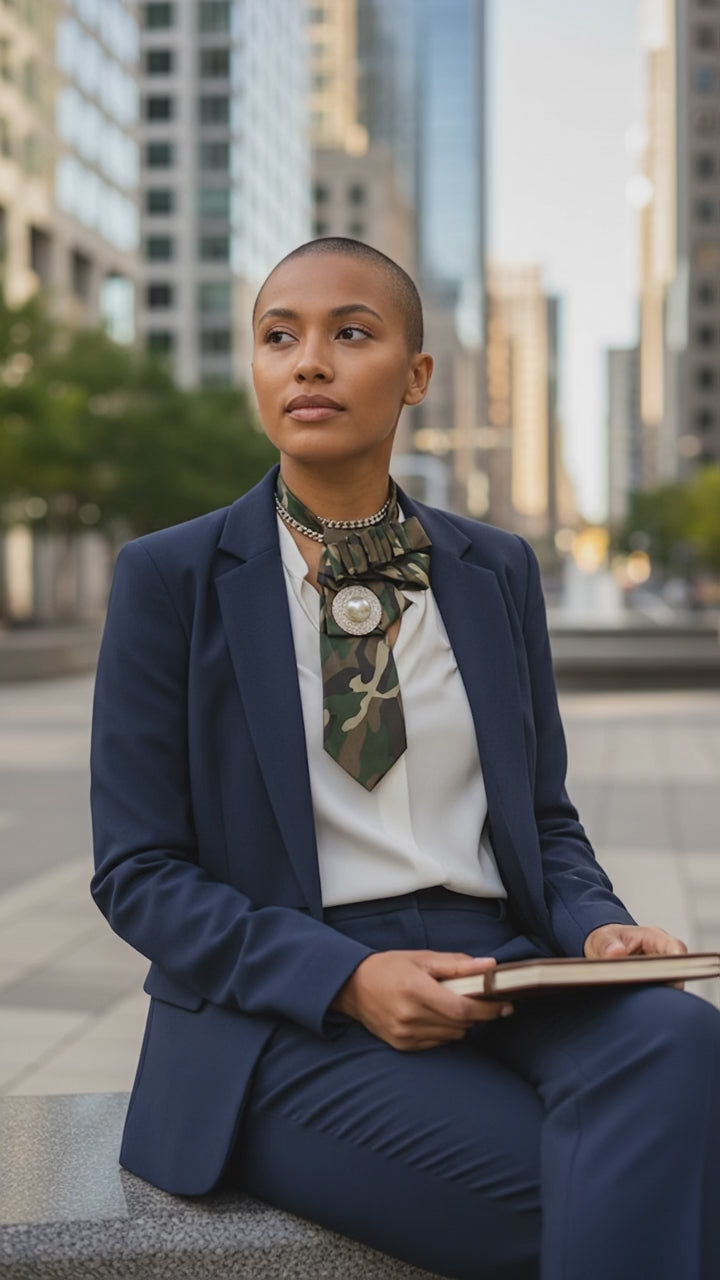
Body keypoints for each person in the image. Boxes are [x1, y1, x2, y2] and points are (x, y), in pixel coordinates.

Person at [90, 238, 720, 1280]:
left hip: (505, 967)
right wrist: (346, 976)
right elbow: (139, 871)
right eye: (279, 336)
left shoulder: (495, 569)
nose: (309, 362)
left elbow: (543, 818)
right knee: (620, 1187)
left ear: (417, 375)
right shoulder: (171, 577)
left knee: (681, 1040)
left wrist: (598, 926)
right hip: (285, 1012)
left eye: (352, 333)